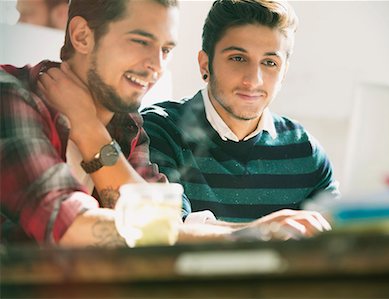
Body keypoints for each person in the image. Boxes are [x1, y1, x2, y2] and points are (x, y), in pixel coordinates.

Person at [1, 0, 329, 247]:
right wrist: (249, 234)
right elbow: (70, 224)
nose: (155, 67)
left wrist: (259, 230)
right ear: (82, 36)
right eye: (141, 41)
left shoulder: (126, 125)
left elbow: (165, 225)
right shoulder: (12, 98)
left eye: (166, 49)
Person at [142, 0, 340, 226]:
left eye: (269, 62)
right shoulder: (159, 132)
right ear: (205, 64)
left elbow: (338, 239)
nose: (253, 80)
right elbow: (167, 232)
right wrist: (265, 231)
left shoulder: (305, 152)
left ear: (283, 72)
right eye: (238, 58)